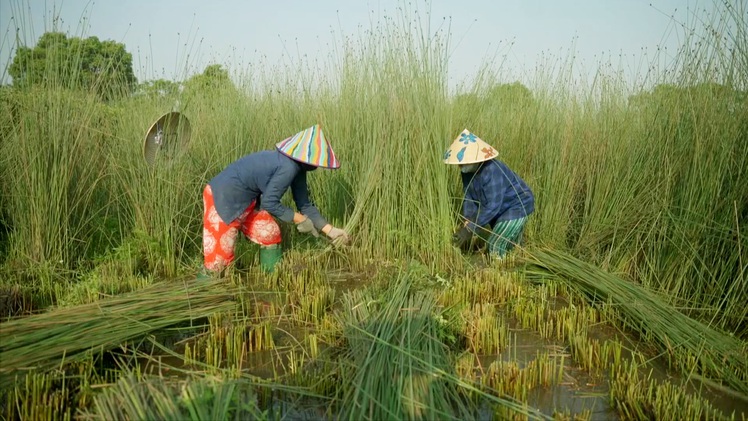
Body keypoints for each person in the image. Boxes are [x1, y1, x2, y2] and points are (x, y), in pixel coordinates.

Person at [199, 124, 349, 277]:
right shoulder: (287, 167)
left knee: (269, 233)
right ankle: (203, 294)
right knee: (218, 264)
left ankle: (270, 280)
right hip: (225, 198)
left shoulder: (298, 170)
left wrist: (331, 230)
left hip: (247, 203)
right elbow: (270, 203)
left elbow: (305, 205)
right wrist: (300, 219)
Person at [443, 129, 534, 259]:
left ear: (475, 159)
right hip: (500, 208)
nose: (460, 166)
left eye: (463, 162)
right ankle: (520, 258)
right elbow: (469, 195)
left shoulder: (492, 170)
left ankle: (499, 269)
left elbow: (492, 206)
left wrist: (469, 229)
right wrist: (468, 218)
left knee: (495, 244)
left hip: (517, 205)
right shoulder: (467, 171)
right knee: (511, 243)